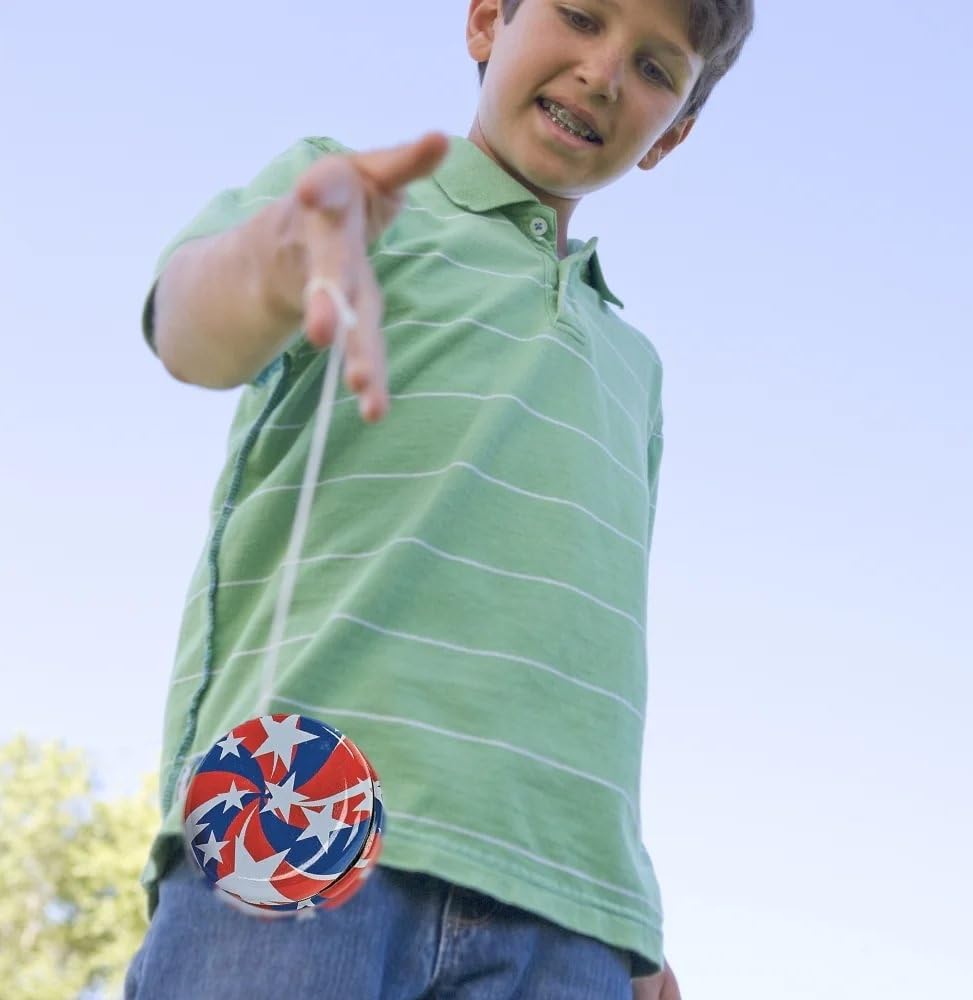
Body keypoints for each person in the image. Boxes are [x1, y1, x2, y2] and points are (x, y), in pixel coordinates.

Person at [126, 1, 753, 997]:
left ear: (670, 134)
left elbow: (578, 651)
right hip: (298, 805)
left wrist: (617, 902)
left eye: (653, 68)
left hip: (563, 912)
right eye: (579, 16)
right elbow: (187, 333)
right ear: (487, 20)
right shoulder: (346, 200)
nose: (601, 73)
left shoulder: (632, 367)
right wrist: (276, 257)